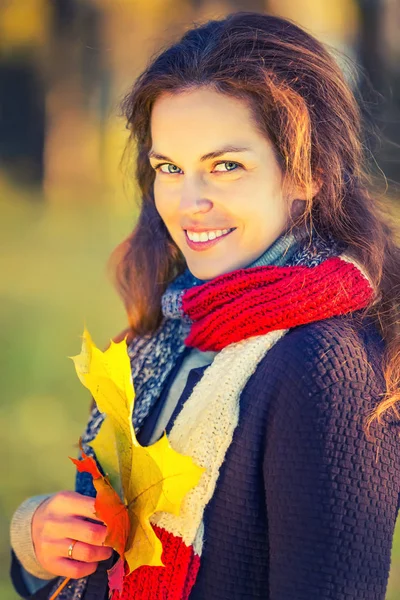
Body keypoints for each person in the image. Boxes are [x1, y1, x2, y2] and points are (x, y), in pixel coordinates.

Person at [9, 11, 400, 600]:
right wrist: (36, 542)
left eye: (226, 166)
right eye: (170, 167)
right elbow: (94, 567)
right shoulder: (169, 330)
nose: (190, 203)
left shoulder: (324, 367)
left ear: (310, 173)